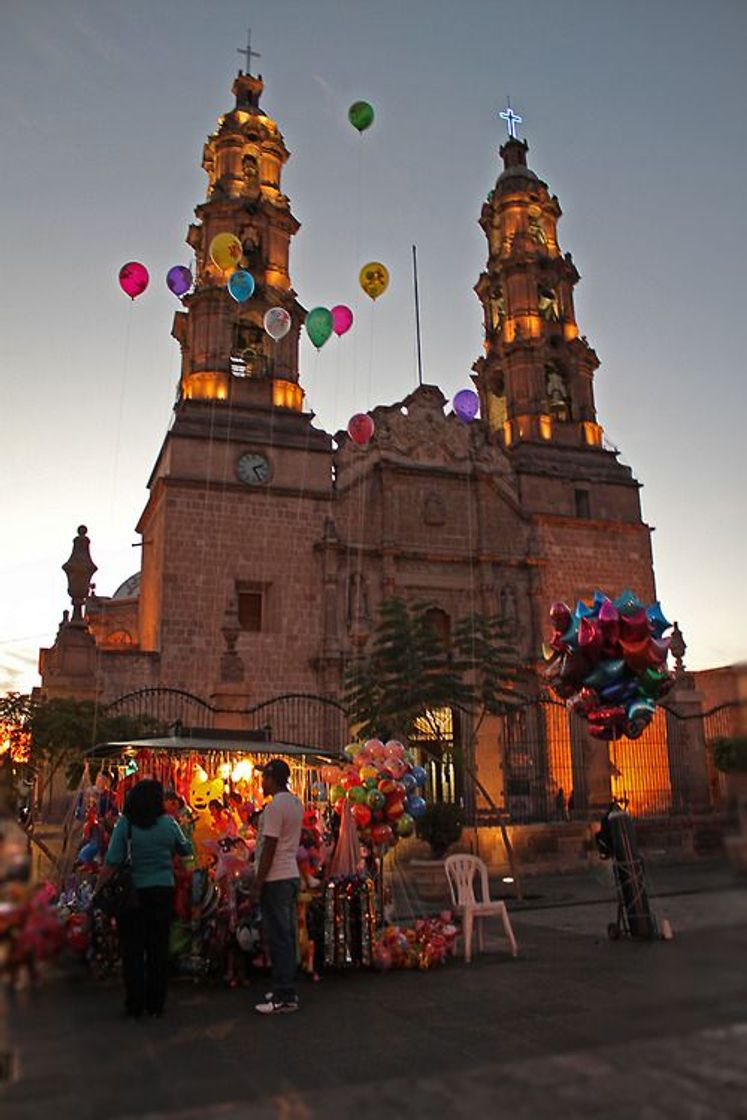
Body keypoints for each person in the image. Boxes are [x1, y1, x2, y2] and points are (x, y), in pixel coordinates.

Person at [93, 778, 191, 1019]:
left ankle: (134, 1003)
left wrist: (97, 890)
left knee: (133, 950)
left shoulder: (125, 825)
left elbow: (112, 862)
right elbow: (186, 849)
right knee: (158, 948)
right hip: (162, 891)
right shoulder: (168, 824)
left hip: (133, 895)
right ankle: (156, 1003)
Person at [253, 759, 304, 1015]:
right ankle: (285, 987)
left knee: (279, 938)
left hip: (276, 877)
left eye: (264, 778)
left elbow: (270, 846)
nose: (262, 782)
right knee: (287, 935)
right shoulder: (295, 803)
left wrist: (258, 882)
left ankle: (285, 995)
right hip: (290, 874)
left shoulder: (274, 808)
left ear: (272, 779)